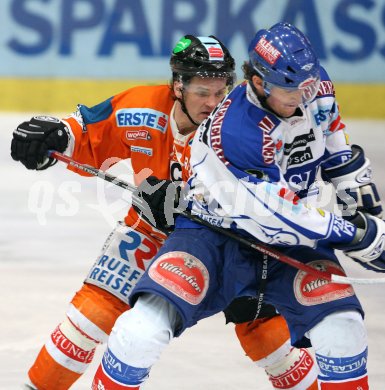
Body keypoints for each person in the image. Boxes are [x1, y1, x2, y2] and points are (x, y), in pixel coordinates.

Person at [11, 34, 318, 389]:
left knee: (270, 341)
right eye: (202, 92)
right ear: (177, 86)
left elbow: (267, 198)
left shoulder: (242, 126)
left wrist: (187, 205)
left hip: (228, 245)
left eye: (221, 93)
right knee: (85, 321)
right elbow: (90, 131)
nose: (213, 103)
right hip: (148, 234)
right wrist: (54, 137)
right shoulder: (142, 107)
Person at [90, 23, 385, 389]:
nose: (303, 96)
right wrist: (361, 236)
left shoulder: (314, 85)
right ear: (260, 83)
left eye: (307, 85)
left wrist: (365, 207)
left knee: (344, 330)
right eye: (290, 89)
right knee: (140, 331)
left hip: (291, 241)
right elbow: (278, 214)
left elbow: (336, 147)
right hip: (215, 236)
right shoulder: (237, 129)